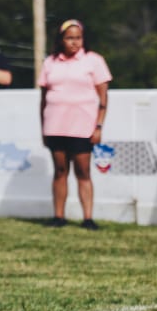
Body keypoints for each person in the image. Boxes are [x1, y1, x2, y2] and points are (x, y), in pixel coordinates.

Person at [38, 20, 111, 230]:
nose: (74, 42)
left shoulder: (93, 61)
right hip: (55, 125)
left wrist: (98, 126)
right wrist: (43, 127)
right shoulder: (51, 62)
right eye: (69, 38)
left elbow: (103, 97)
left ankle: (87, 217)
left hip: (82, 126)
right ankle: (58, 216)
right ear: (61, 40)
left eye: (78, 38)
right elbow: (43, 99)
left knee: (83, 171)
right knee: (60, 170)